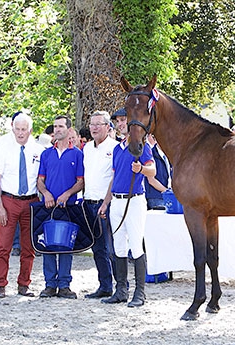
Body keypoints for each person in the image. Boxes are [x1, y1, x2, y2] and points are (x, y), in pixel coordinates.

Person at [99, 108, 156, 307]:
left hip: (134, 199)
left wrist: (141, 168)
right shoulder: (117, 149)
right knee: (118, 246)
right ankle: (121, 289)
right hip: (117, 200)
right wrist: (106, 202)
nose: (121, 124)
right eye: (119, 121)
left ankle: (140, 292)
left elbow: (153, 170)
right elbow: (115, 177)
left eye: (124, 120)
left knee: (136, 245)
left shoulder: (140, 146)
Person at [0, 113, 44, 298]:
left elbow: (40, 180)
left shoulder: (39, 150)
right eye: (17, 129)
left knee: (28, 247)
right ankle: (0, 285)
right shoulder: (3, 147)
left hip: (31, 202)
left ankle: (24, 285)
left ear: (30, 130)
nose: (20, 133)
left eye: (24, 129)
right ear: (12, 128)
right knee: (4, 246)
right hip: (9, 201)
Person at [37, 115, 84, 299]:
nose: (57, 129)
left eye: (61, 126)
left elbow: (81, 182)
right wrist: (46, 194)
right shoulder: (46, 154)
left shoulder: (77, 154)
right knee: (48, 244)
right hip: (48, 206)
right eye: (55, 126)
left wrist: (67, 194)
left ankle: (64, 284)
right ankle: (50, 284)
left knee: (66, 245)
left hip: (68, 206)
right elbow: (40, 181)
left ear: (68, 129)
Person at [82, 111, 119, 299]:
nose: (94, 127)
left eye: (99, 124)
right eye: (92, 124)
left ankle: (121, 286)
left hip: (107, 204)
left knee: (111, 247)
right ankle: (104, 285)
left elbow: (115, 178)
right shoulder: (87, 148)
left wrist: (106, 202)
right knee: (97, 248)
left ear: (107, 127)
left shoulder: (115, 148)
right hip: (89, 202)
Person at [145, 134, 172, 210]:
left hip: (170, 195)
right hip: (156, 197)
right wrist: (167, 192)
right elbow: (151, 180)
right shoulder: (150, 154)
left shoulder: (171, 155)